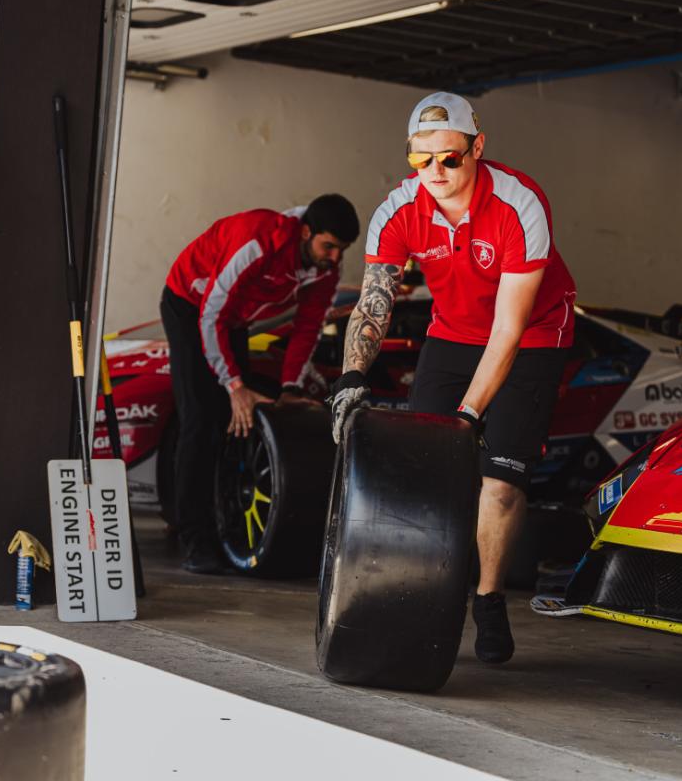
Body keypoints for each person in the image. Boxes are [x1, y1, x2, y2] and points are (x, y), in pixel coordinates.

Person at [330, 92, 576, 663]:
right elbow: (374, 302)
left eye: (449, 157)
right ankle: (427, 591)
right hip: (453, 333)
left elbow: (508, 330)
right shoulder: (398, 210)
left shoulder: (520, 203)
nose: (435, 171)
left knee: (500, 480)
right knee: (427, 468)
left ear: (477, 147)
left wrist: (467, 415)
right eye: (421, 158)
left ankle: (488, 599)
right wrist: (351, 376)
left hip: (534, 333)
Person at [163, 195, 360, 574]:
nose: (335, 257)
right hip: (190, 304)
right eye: (329, 246)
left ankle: (221, 526)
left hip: (235, 319)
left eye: (342, 249)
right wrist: (234, 384)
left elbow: (308, 328)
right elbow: (211, 316)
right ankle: (194, 540)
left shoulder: (325, 271)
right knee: (201, 419)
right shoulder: (256, 241)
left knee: (234, 420)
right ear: (307, 232)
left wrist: (290, 388)